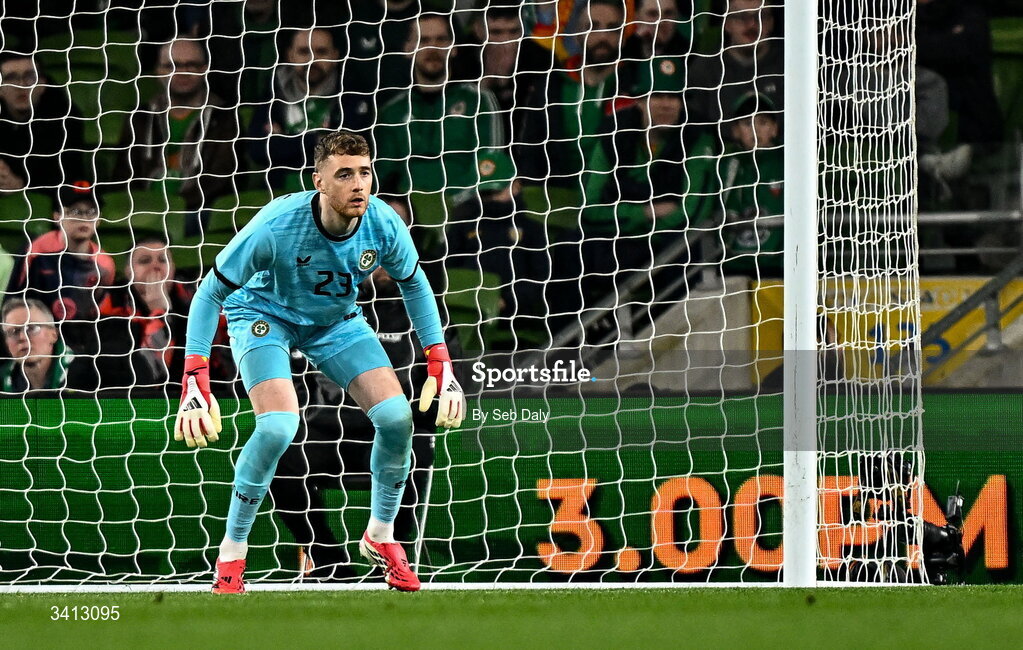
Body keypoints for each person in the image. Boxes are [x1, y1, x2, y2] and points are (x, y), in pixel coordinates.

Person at [173, 130, 465, 594]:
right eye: (344, 174)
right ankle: (232, 553)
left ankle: (381, 536)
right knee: (278, 428)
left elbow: (415, 284)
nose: (358, 184)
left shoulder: (383, 223)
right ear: (320, 183)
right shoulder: (277, 224)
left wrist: (439, 360)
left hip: (335, 322)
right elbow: (211, 292)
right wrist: (195, 376)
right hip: (264, 315)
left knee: (396, 418)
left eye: (365, 172)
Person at [270, 268, 442, 581]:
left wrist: (417, 417)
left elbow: (440, 373)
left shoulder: (420, 310)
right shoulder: (319, 303)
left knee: (414, 447)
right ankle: (329, 563)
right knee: (280, 454)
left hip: (390, 429)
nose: (384, 266)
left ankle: (390, 559)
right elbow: (290, 371)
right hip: (327, 427)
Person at [373, 13, 504, 206]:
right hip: (407, 218)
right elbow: (384, 178)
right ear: (408, 49)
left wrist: (453, 205)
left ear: (454, 48)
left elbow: (490, 167)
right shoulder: (392, 112)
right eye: (424, 40)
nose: (433, 48)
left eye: (441, 40)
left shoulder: (479, 100)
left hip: (466, 214)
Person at [116, 39, 241, 213]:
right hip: (143, 211)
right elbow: (124, 175)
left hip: (198, 212)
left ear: (204, 70)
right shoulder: (140, 118)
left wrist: (177, 209)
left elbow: (220, 179)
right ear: (158, 71)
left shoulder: (224, 117)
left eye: (191, 65)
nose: (182, 72)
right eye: (172, 66)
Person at [99, 237, 234, 390]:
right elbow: (143, 376)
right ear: (128, 271)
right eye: (144, 261)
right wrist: (161, 313)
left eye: (163, 260)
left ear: (173, 267)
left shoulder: (197, 298)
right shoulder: (113, 304)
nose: (155, 267)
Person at [5, 181, 116, 353]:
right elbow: (13, 302)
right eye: (75, 211)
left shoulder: (105, 264)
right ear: (57, 216)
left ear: (99, 220)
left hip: (83, 348)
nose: (84, 218)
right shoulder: (36, 252)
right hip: (37, 343)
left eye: (91, 212)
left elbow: (101, 314)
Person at [248, 28, 359, 192]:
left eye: (321, 51)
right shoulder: (272, 95)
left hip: (335, 192)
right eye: (303, 51)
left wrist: (284, 142)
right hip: (279, 194)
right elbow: (258, 150)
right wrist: (317, 140)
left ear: (335, 55)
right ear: (290, 56)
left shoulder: (353, 96)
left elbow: (348, 153)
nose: (312, 59)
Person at [686, 0, 783, 127]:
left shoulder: (788, 66)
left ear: (771, 22)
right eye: (742, 17)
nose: (752, 24)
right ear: (727, 24)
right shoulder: (705, 69)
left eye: (760, 16)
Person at [718, 93, 783, 277]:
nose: (755, 130)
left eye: (762, 122)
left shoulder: (789, 163)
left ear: (774, 128)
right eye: (747, 123)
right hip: (735, 267)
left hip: (780, 267)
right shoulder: (726, 165)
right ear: (735, 130)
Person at [0, 52, 85, 191]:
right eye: (11, 78)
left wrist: (21, 183)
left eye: (30, 76)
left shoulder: (66, 118)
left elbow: (69, 175)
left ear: (42, 84)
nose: (22, 85)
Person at [0, 297, 98, 393]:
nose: (22, 337)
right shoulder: (2, 380)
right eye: (13, 331)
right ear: (6, 342)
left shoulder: (91, 373)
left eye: (32, 328)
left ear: (54, 335)